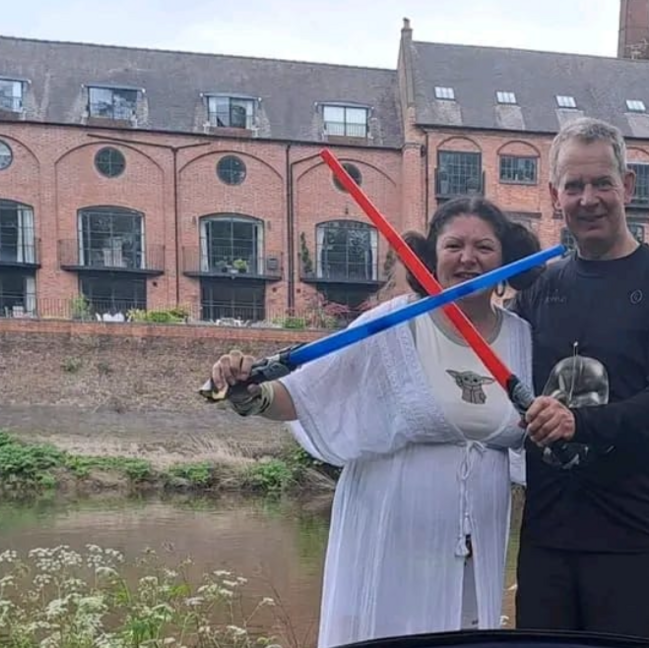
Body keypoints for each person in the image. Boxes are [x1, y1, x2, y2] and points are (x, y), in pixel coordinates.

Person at [207, 197, 542, 648]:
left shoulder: (521, 338)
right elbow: (304, 393)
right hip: (389, 537)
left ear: (506, 259)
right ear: (430, 258)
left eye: (484, 247)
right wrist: (249, 394)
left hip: (474, 546)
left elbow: (555, 412)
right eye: (453, 245)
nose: (468, 258)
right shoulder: (393, 325)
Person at [510, 117, 649, 642]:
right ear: (555, 195)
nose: (588, 198)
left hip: (632, 536)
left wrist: (583, 422)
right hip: (547, 537)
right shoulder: (539, 289)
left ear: (628, 187)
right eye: (573, 186)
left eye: (602, 183)